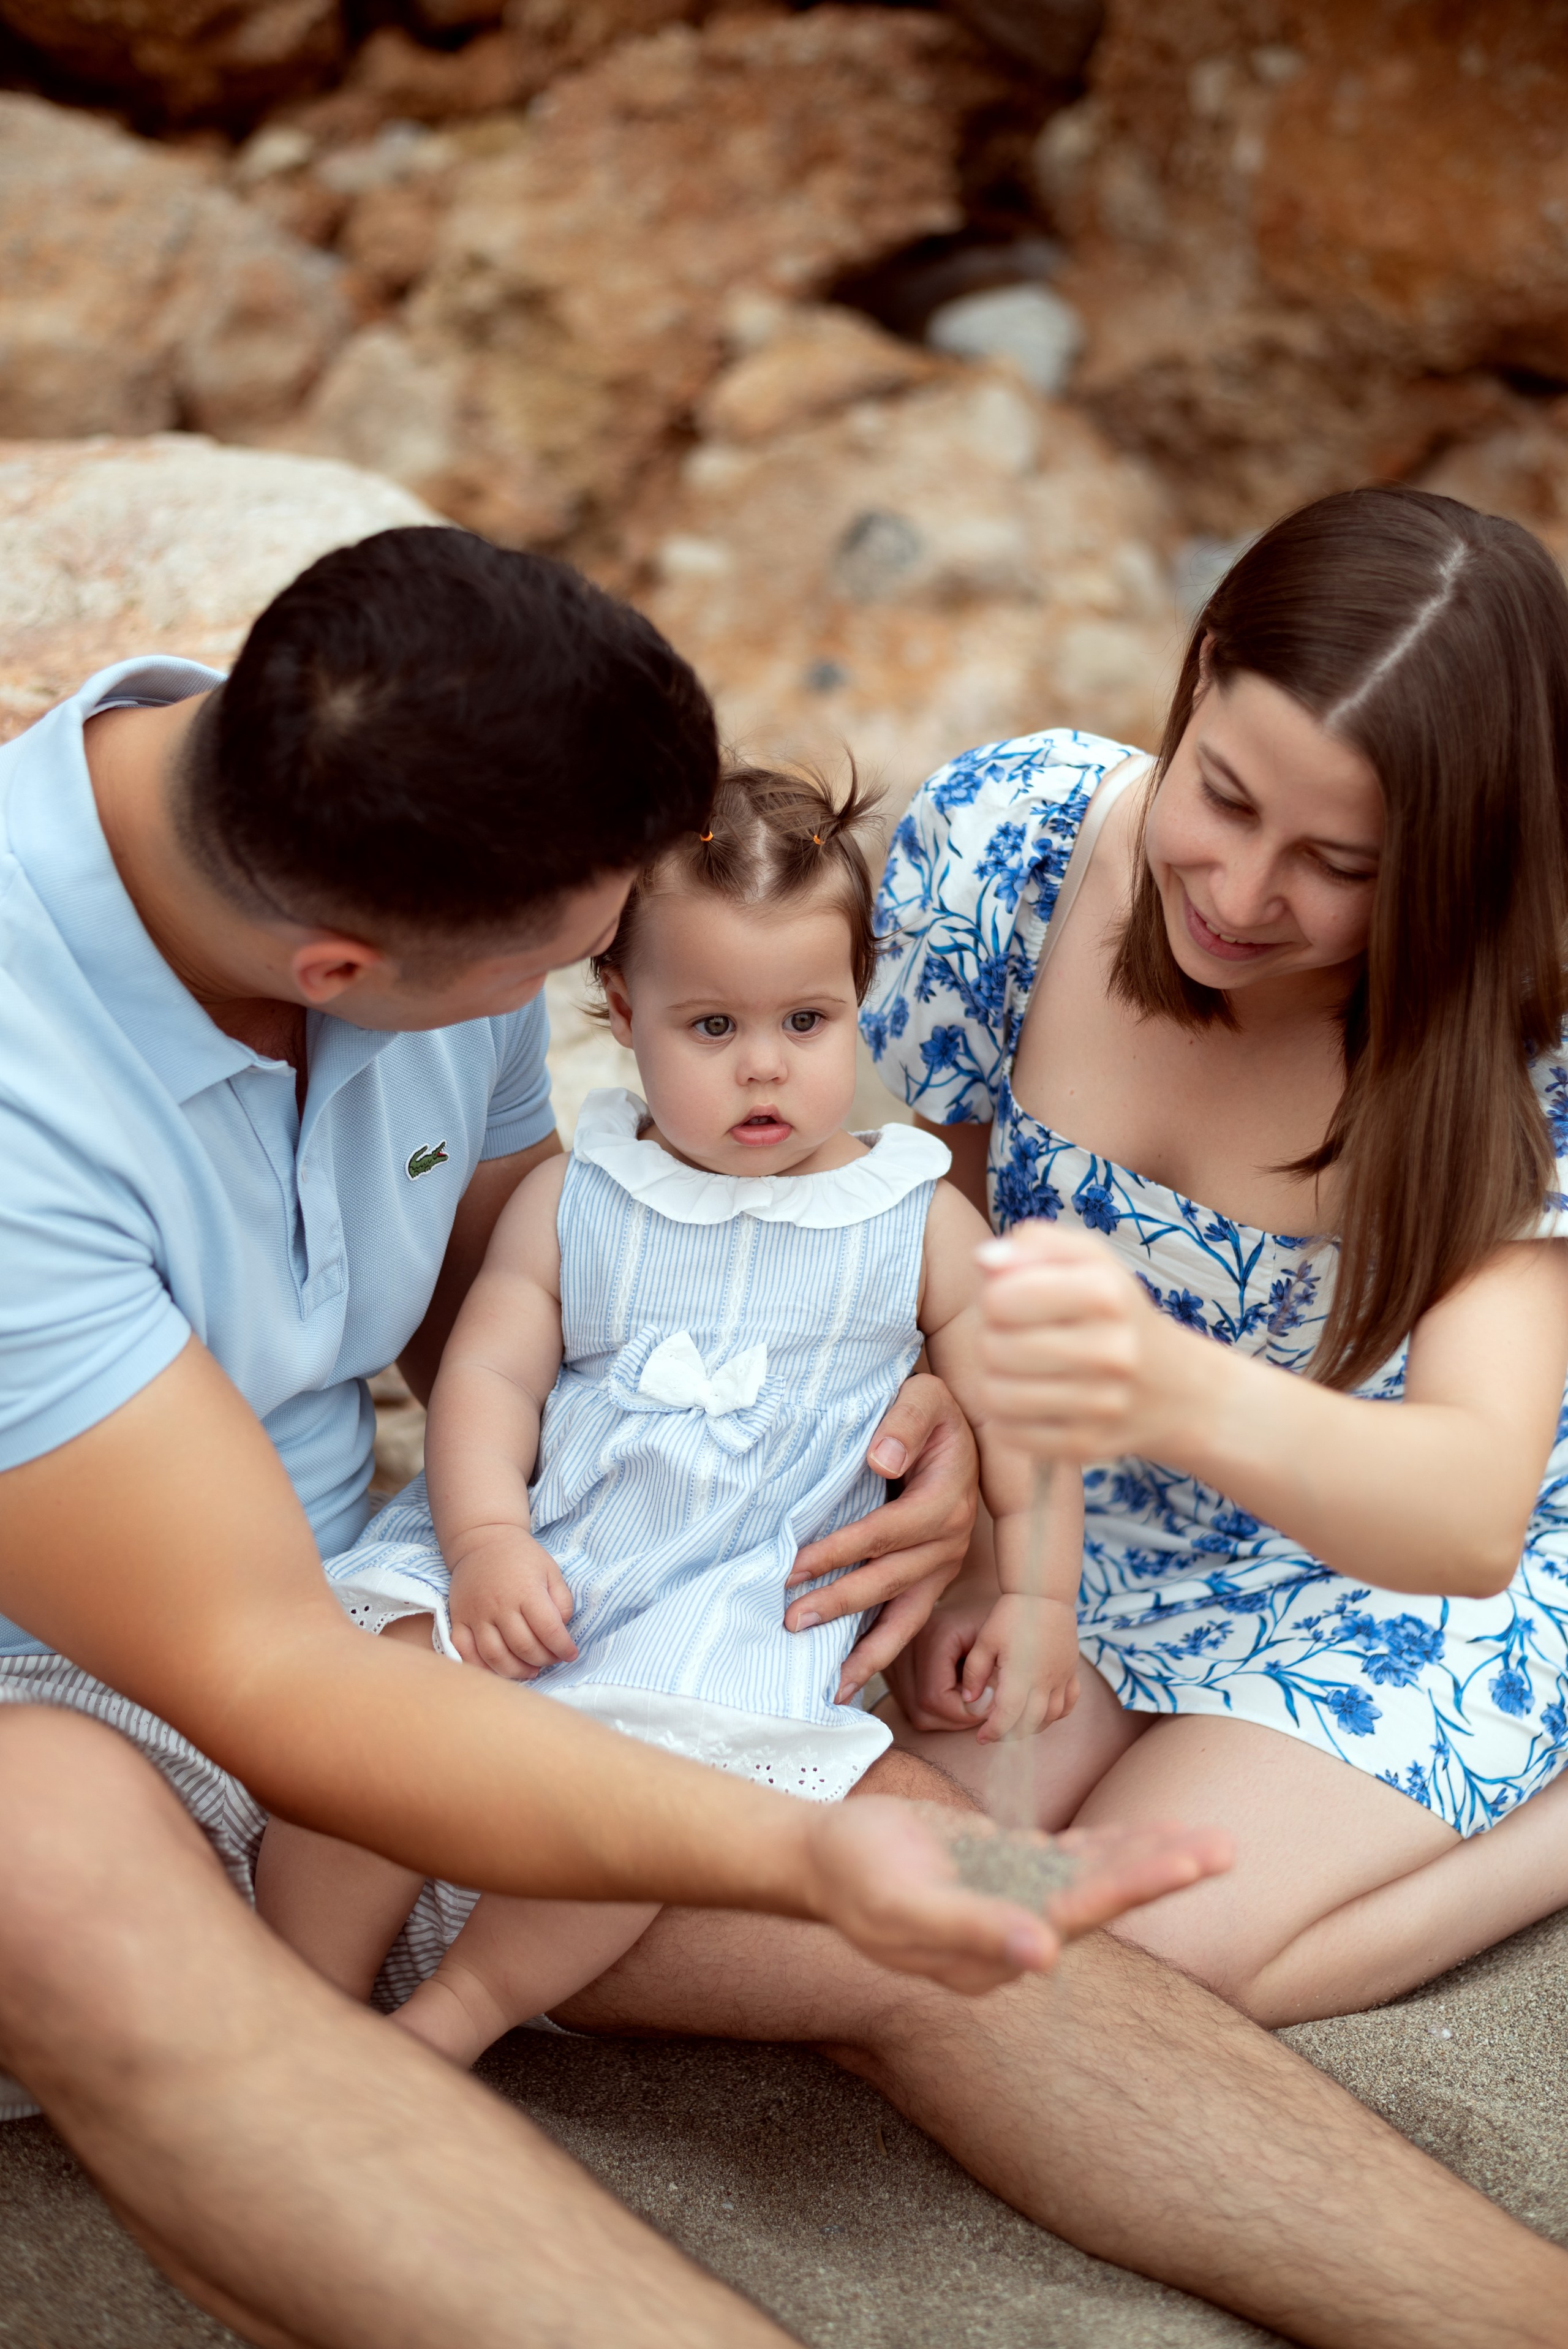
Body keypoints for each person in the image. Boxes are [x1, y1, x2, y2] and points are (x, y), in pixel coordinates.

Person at [0, 519, 1562, 2349]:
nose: (600, 1017)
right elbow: (271, 1673)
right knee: (144, 1950)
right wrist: (790, 1840)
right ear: (340, 967)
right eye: (588, 980)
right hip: (124, 1687)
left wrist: (874, 1427)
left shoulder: (444, 814)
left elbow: (540, 1292)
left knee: (990, 1921)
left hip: (440, 1620)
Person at [865, 483, 1568, 2030]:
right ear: (1190, 684)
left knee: (1136, 1950)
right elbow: (945, 1241)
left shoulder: (1521, 1040)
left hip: (1383, 1536)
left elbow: (1465, 1512)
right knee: (929, 1856)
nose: (1243, 897)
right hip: (1068, 1515)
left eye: (1342, 864)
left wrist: (1161, 1385)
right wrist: (985, 1544)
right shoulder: (1008, 847)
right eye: (1225, 798)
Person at [254, 764, 1087, 2060]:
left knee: (657, 1806)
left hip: (731, 1601)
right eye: (710, 1027)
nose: (763, 1068)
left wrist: (1032, 1595)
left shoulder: (915, 1218)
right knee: (373, 1714)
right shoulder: (581, 1195)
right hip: (548, 1548)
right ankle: (295, 1995)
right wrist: (484, 1540)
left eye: (806, 1020)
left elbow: (1022, 1420)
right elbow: (486, 1379)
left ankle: (450, 2022)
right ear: (620, 1007)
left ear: (857, 999)